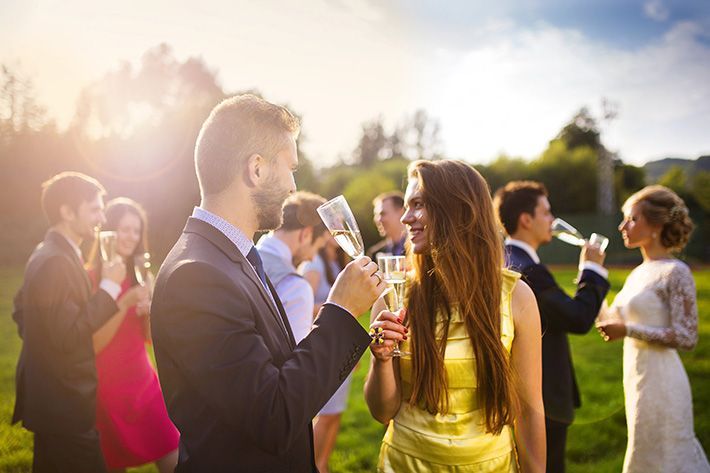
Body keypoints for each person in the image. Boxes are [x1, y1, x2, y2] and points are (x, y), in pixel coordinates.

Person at [150, 94, 384, 472]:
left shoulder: (233, 255)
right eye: (290, 167)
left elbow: (274, 369)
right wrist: (340, 313)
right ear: (256, 169)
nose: (294, 186)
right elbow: (273, 417)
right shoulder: (197, 275)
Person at [365, 160, 546, 473]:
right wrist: (382, 360)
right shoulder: (394, 297)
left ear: (458, 210)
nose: (405, 218)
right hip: (405, 464)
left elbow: (529, 411)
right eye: (406, 206)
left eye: (417, 204)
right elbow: (382, 412)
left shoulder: (517, 297)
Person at [11, 172, 125, 473]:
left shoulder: (50, 252)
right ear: (66, 211)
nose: (102, 217)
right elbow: (68, 335)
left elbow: (21, 310)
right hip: (64, 402)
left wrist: (41, 339)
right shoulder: (55, 261)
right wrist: (109, 289)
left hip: (53, 400)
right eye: (94, 209)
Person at [493, 180, 609, 473]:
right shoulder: (527, 270)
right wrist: (592, 270)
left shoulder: (504, 259)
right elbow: (578, 317)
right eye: (546, 212)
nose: (552, 220)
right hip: (540, 398)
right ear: (526, 219)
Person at [597, 185, 710, 473]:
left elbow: (687, 337)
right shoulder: (638, 272)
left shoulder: (676, 272)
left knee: (668, 455)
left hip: (664, 382)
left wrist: (629, 330)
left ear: (656, 225)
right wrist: (592, 275)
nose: (623, 226)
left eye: (632, 219)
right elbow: (610, 320)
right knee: (643, 452)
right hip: (637, 378)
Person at [86, 198, 179, 473]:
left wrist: (150, 313)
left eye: (136, 230)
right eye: (124, 229)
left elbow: (149, 338)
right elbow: (95, 344)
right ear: (109, 231)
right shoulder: (92, 278)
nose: (131, 237)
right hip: (107, 388)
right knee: (112, 465)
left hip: (143, 382)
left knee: (174, 456)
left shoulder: (144, 276)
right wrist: (124, 303)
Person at [302, 237, 353, 473]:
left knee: (335, 414)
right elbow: (304, 303)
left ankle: (323, 465)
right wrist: (338, 305)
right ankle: (310, 466)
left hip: (342, 340)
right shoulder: (314, 265)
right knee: (325, 414)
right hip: (325, 345)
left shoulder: (338, 262)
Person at [256, 191, 329, 344]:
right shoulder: (295, 287)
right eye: (318, 247)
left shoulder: (240, 258)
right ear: (306, 234)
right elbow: (298, 363)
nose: (312, 258)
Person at [366, 191, 407, 258]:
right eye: (376, 215)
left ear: (401, 213)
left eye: (382, 214)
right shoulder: (375, 254)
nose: (377, 219)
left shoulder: (418, 249)